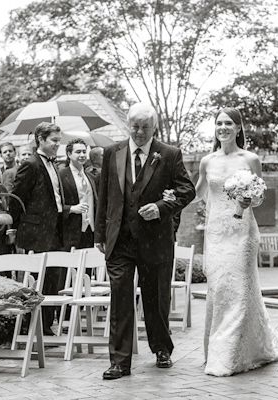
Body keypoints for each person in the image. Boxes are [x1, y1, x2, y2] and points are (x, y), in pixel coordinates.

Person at [95, 103, 195, 380]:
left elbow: (186, 190)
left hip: (155, 240)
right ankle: (119, 362)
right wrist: (100, 235)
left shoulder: (169, 154)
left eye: (145, 127)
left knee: (155, 298)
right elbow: (104, 195)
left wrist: (162, 207)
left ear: (154, 128)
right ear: (128, 125)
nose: (139, 132)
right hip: (120, 241)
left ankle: (162, 348)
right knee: (120, 300)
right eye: (135, 127)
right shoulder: (111, 152)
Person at [193, 107, 278, 376]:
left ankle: (230, 355)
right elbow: (199, 193)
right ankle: (216, 349)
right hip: (216, 234)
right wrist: (172, 197)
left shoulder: (251, 159)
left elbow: (259, 196)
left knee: (239, 290)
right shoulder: (207, 161)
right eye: (218, 123)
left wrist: (251, 199)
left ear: (238, 128)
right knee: (217, 290)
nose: (223, 127)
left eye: (228, 123)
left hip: (242, 233)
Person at [10, 122, 65, 336]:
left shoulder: (54, 164)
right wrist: (14, 228)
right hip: (35, 233)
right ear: (40, 139)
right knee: (35, 279)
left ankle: (46, 324)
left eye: (59, 141)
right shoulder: (31, 164)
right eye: (54, 141)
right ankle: (31, 325)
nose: (57, 145)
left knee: (53, 278)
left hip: (55, 230)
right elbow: (17, 199)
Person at [60, 138, 97, 251]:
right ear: (69, 154)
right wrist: (71, 208)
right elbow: (52, 204)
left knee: (90, 266)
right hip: (71, 231)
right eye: (78, 152)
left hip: (91, 230)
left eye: (84, 152)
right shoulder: (61, 176)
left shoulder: (91, 177)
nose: (82, 155)